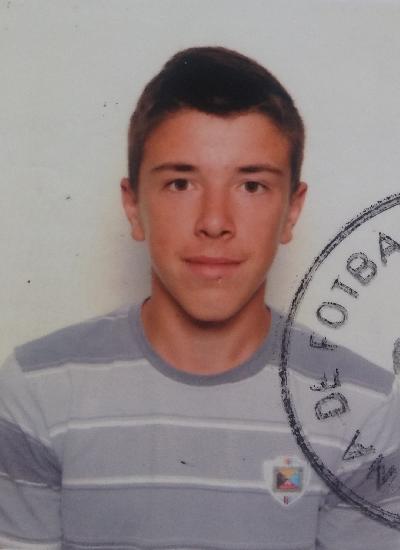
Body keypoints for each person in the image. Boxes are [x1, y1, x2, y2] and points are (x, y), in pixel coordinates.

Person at [0, 47, 399, 550]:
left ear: (291, 211)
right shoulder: (38, 388)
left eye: (251, 185)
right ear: (133, 206)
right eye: (181, 183)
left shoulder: (364, 407)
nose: (214, 221)